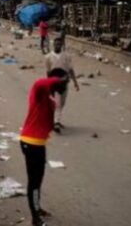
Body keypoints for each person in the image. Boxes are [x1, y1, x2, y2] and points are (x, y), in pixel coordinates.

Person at [19, 68, 70, 226]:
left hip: (39, 144)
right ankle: (35, 218)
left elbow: (47, 122)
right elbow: (40, 82)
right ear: (55, 80)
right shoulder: (39, 93)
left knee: (38, 179)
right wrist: (58, 80)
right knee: (33, 181)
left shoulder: (50, 100)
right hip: (30, 142)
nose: (65, 87)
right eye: (64, 83)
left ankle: (37, 208)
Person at [45, 38, 80, 133]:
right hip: (53, 83)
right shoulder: (48, 57)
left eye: (59, 44)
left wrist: (75, 83)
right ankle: (56, 122)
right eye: (56, 44)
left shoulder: (67, 56)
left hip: (64, 83)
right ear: (53, 45)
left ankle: (55, 120)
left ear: (62, 45)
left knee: (62, 103)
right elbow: (48, 72)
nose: (57, 45)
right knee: (58, 103)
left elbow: (71, 70)